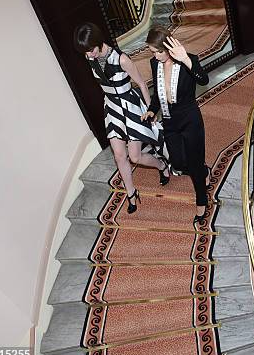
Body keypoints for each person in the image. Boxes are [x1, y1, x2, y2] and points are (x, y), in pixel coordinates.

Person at [73, 22, 170, 214]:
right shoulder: (91, 58)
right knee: (119, 155)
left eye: (90, 50)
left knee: (134, 157)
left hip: (130, 106)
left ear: (98, 42)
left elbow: (142, 84)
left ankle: (161, 165)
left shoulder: (122, 59)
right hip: (111, 107)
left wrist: (151, 111)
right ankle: (131, 193)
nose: (88, 55)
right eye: (85, 52)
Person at [141, 26, 210, 225]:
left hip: (190, 119)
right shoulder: (155, 63)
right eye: (152, 52)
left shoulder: (188, 60)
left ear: (169, 48)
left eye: (158, 52)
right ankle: (203, 171)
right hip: (170, 121)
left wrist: (187, 60)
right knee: (178, 163)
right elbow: (157, 92)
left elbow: (204, 79)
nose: (155, 56)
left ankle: (201, 201)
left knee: (194, 165)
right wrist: (152, 109)